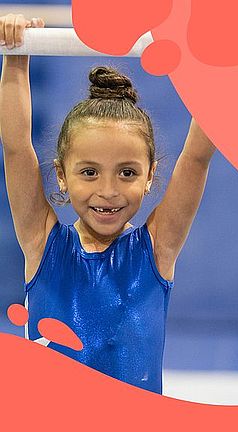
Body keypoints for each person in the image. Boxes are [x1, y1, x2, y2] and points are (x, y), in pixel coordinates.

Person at [0, 14, 216, 393]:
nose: (108, 190)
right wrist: (16, 55)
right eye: (89, 172)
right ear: (61, 175)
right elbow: (17, 147)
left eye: (127, 173)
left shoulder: (157, 247)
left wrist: (217, 68)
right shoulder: (41, 242)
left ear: (149, 176)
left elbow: (196, 157)